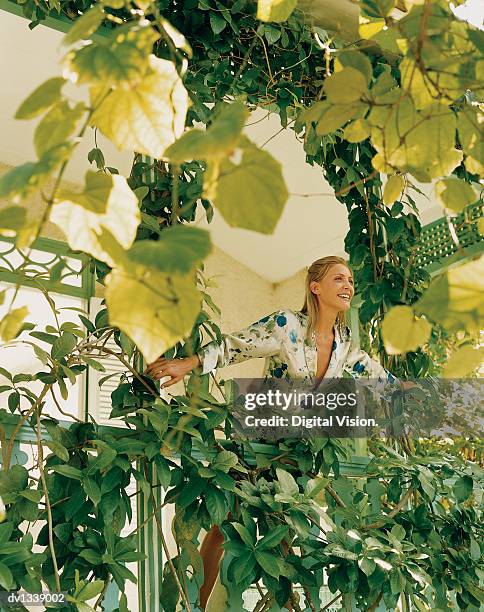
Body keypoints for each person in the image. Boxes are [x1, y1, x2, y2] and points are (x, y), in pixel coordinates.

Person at [146, 256, 398, 609]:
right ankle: (196, 606)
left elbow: (378, 376)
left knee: (280, 532)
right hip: (256, 444)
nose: (348, 286)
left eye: (351, 280)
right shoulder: (286, 325)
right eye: (339, 278)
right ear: (316, 286)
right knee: (226, 524)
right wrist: (189, 363)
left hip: (298, 452)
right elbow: (237, 344)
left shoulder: (344, 344)